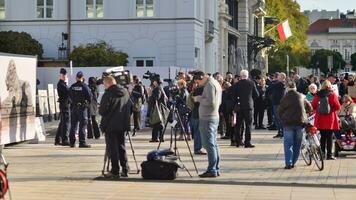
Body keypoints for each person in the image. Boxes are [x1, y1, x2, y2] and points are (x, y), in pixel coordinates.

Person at [99, 76, 131, 178]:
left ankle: (115, 170)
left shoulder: (108, 94)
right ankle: (125, 169)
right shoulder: (125, 92)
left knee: (112, 148)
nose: (104, 87)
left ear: (107, 83)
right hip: (122, 124)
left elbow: (102, 111)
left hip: (110, 125)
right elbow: (130, 106)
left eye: (104, 85)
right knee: (121, 147)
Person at [193, 70, 222, 178]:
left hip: (208, 118)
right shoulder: (215, 83)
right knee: (213, 144)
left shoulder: (210, 85)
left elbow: (211, 102)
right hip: (212, 117)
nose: (198, 85)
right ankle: (215, 168)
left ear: (202, 78)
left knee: (209, 145)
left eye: (198, 82)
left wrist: (199, 99)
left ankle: (212, 169)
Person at [278, 81, 312, 169]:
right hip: (300, 123)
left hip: (288, 124)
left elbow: (279, 111)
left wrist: (283, 119)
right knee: (297, 144)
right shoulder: (302, 96)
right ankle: (293, 162)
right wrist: (305, 113)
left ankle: (288, 163)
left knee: (288, 144)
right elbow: (310, 107)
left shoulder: (285, 98)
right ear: (295, 88)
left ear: (287, 89)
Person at [312, 80, 341, 160]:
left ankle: (322, 154)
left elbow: (313, 106)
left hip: (320, 119)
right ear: (330, 86)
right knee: (330, 137)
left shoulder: (317, 95)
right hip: (330, 118)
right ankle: (329, 155)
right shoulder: (332, 94)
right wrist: (332, 109)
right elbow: (338, 106)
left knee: (322, 137)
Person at [232, 70, 259, 148]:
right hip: (248, 106)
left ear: (240, 76)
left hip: (239, 106)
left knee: (238, 124)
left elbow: (233, 96)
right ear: (247, 76)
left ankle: (238, 141)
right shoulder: (251, 83)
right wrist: (250, 99)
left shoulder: (237, 84)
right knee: (248, 124)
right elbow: (256, 94)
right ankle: (247, 142)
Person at [68, 71, 92, 148]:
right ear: (83, 77)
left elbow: (69, 96)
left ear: (76, 77)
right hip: (82, 108)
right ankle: (82, 142)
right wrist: (87, 104)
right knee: (83, 125)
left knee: (73, 125)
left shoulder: (72, 86)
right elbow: (89, 97)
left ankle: (72, 142)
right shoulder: (84, 86)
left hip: (74, 107)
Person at [187, 80, 206, 155]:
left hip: (195, 113)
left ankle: (198, 148)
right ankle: (198, 148)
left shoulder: (196, 90)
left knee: (197, 132)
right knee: (198, 132)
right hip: (199, 114)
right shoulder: (202, 90)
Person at [148, 77, 166, 142]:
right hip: (160, 108)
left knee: (156, 123)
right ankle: (160, 137)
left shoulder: (157, 88)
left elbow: (156, 98)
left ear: (156, 82)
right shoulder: (161, 88)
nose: (152, 83)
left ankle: (155, 138)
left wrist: (150, 94)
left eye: (153, 81)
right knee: (160, 124)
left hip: (157, 109)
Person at [55, 68, 70, 146]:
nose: (64, 76)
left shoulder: (63, 84)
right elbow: (68, 92)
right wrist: (67, 84)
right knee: (65, 122)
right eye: (63, 75)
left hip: (64, 104)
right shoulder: (61, 84)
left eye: (65, 75)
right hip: (64, 105)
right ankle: (65, 140)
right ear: (60, 76)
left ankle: (57, 139)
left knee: (62, 122)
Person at [271, 73, 287, 138]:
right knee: (277, 119)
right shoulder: (279, 83)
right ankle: (279, 132)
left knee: (279, 118)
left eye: (279, 76)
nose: (278, 77)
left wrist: (274, 80)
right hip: (276, 102)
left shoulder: (281, 83)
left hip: (279, 103)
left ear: (283, 77)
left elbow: (272, 85)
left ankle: (282, 132)